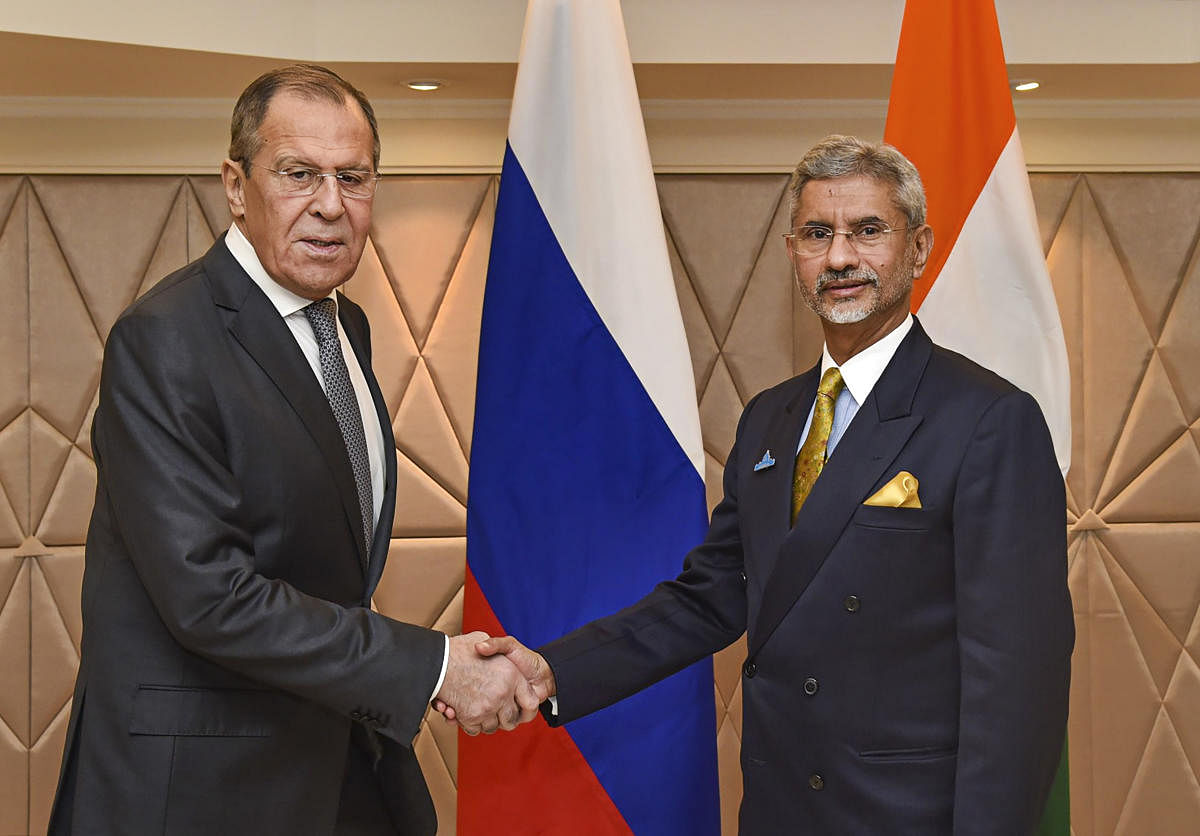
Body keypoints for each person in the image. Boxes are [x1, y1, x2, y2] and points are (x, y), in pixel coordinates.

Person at [450, 135, 1075, 834]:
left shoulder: (989, 420)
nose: (840, 257)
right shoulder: (770, 420)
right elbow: (709, 600)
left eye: (868, 231)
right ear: (793, 254)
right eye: (817, 233)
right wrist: (549, 670)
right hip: (782, 810)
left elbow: (1019, 681)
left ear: (919, 248)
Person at [48, 64, 536, 836]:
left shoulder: (346, 328)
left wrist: (433, 664)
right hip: (201, 795)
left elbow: (319, 569)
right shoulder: (166, 340)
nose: (331, 206)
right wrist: (432, 666)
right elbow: (210, 595)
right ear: (236, 187)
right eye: (299, 174)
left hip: (335, 771)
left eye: (355, 177)